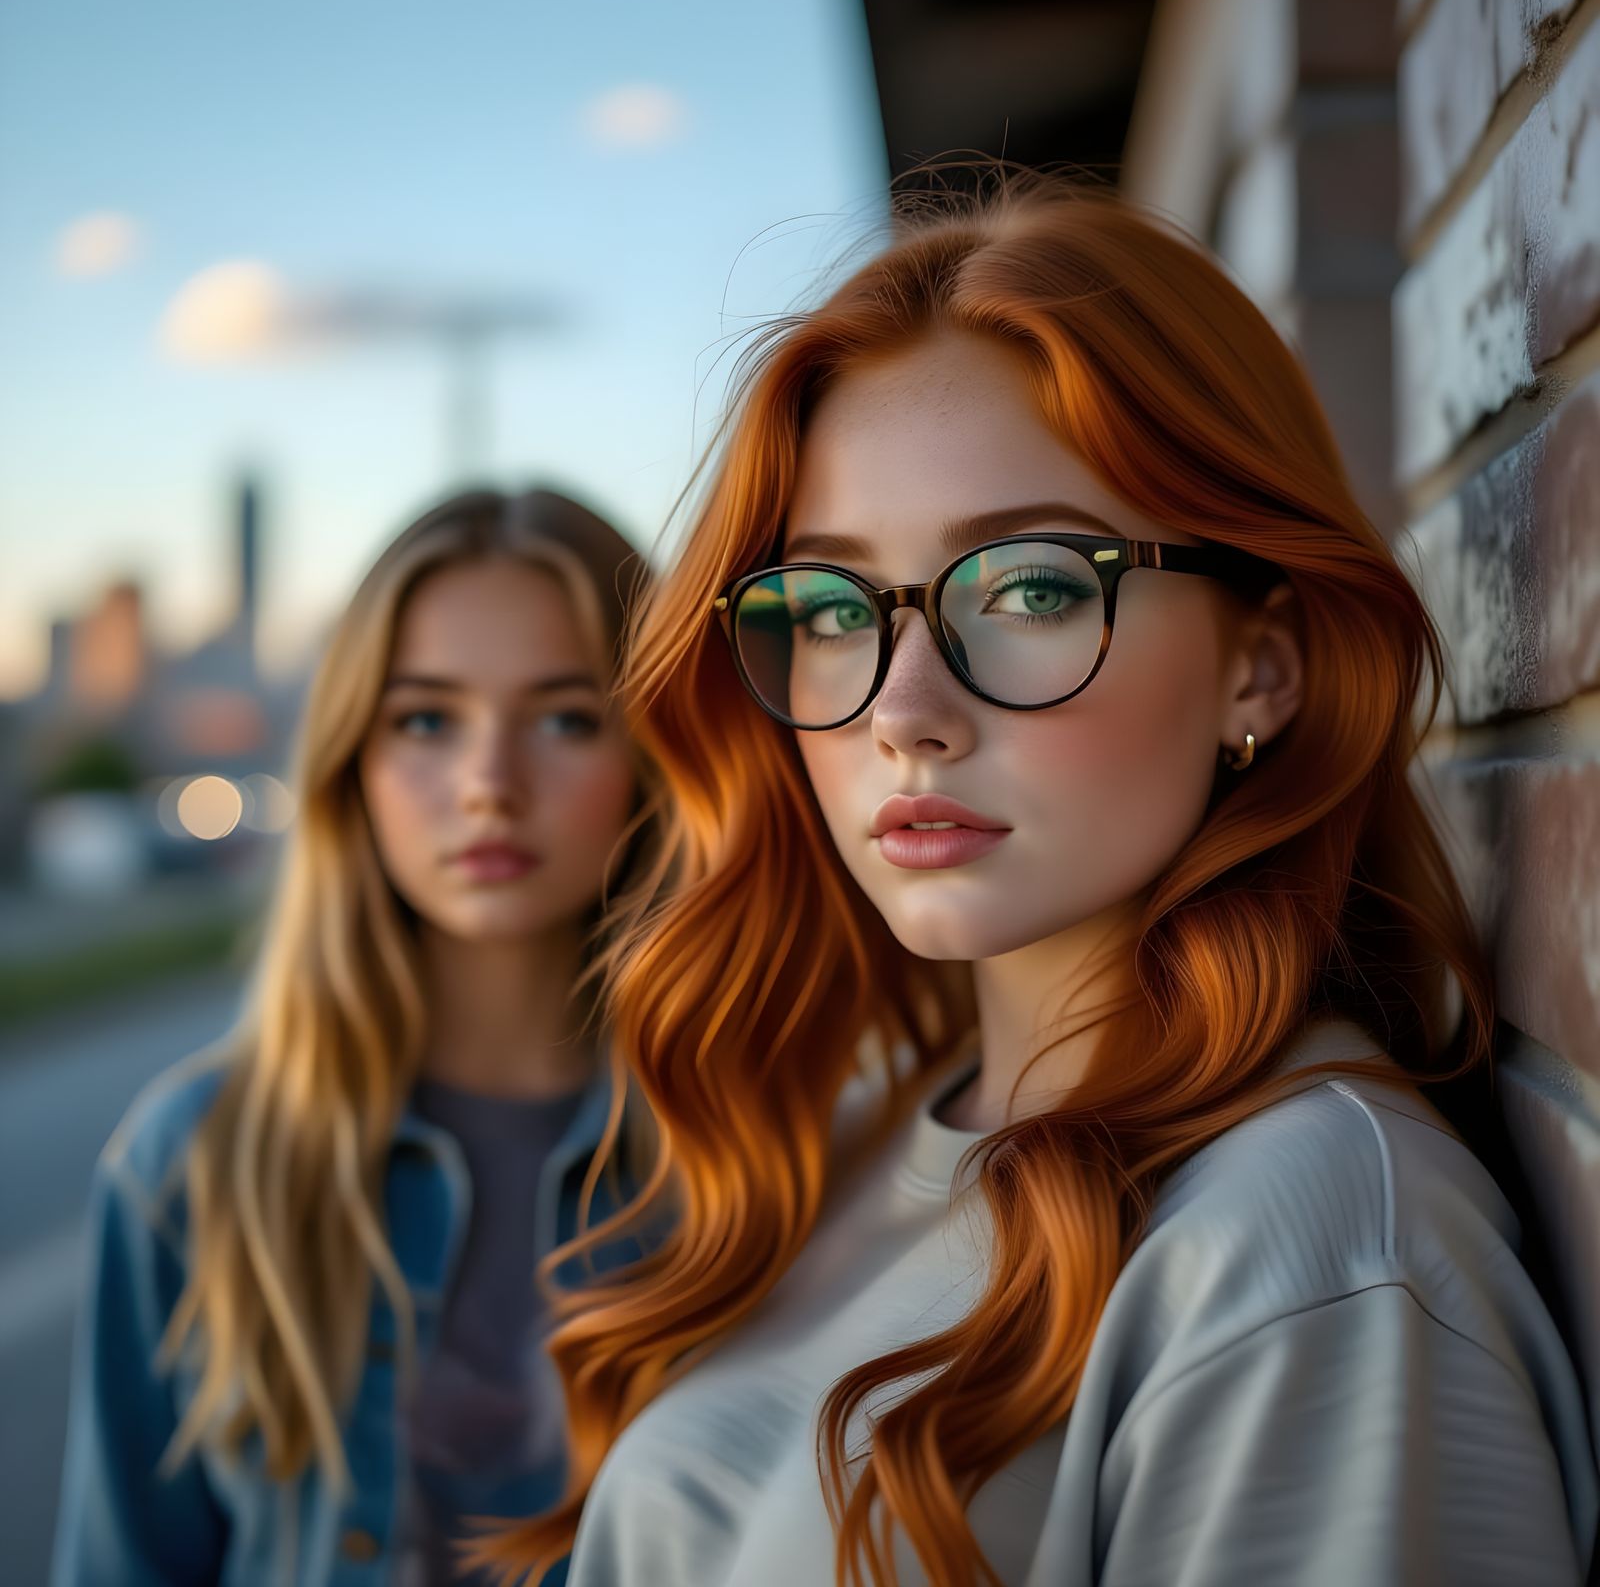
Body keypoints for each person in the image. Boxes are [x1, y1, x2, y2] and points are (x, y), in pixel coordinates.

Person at [471, 184, 1598, 1587]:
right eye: (832, 610)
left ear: (1265, 658)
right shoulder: (893, 1116)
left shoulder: (1315, 1254)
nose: (905, 709)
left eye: (1031, 589)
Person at [53, 487, 657, 1586]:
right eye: (425, 718)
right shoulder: (192, 1157)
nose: (488, 786)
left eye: (566, 717)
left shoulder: (755, 1151)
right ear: (353, 761)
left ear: (654, 755)